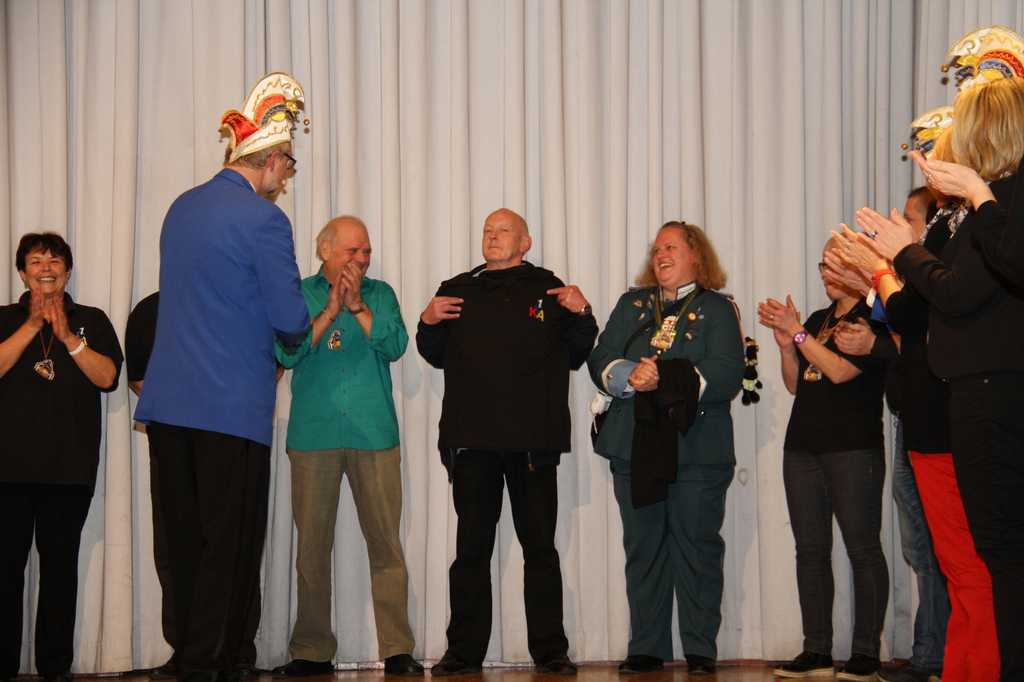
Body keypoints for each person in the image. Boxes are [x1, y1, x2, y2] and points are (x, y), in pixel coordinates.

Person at [134, 72, 311, 682]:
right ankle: (213, 660)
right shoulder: (265, 221)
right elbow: (291, 320)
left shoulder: (181, 208)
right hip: (231, 405)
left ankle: (185, 650)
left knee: (180, 539)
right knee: (229, 544)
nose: (286, 176)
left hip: (169, 402)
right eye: (288, 164)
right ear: (269, 159)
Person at [857, 73, 1024, 682]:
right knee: (990, 554)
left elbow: (953, 296)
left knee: (997, 553)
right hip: (971, 390)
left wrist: (902, 253)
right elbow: (931, 302)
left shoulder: (1000, 204)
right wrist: (897, 256)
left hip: (994, 390)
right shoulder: (985, 209)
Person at [415, 208, 597, 676]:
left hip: (534, 443)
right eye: (487, 230)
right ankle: (463, 653)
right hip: (472, 443)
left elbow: (578, 353)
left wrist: (583, 312)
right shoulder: (457, 289)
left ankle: (550, 652)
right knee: (471, 553)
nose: (493, 237)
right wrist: (427, 320)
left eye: (503, 231)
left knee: (541, 551)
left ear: (525, 242)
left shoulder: (550, 289)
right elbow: (433, 353)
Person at [586, 221, 744, 675]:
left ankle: (700, 650)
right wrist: (628, 374)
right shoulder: (632, 304)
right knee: (644, 549)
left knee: (697, 550)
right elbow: (601, 356)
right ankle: (646, 648)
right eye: (656, 249)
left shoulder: (718, 308)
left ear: (696, 256)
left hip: (696, 450)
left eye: (671, 247)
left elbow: (727, 372)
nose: (661, 255)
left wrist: (665, 377)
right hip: (634, 448)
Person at [272, 216, 422, 677]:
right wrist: (330, 310)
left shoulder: (381, 294)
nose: (361, 259)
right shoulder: (299, 293)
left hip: (372, 433)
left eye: (366, 251)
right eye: (352, 251)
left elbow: (396, 345)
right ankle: (311, 651)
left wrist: (356, 307)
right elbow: (287, 353)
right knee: (311, 550)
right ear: (325, 251)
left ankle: (397, 649)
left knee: (386, 546)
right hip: (313, 435)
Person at [758, 239, 890, 682]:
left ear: (860, 267)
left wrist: (798, 334)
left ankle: (866, 653)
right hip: (803, 448)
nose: (826, 273)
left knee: (862, 548)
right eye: (824, 264)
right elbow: (798, 384)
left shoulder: (874, 318)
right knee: (810, 551)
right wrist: (786, 346)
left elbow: (839, 371)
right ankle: (816, 649)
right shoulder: (818, 319)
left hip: (852, 448)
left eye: (836, 264)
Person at [0, 233, 123, 682]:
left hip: (69, 471)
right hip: (7, 471)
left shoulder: (91, 319)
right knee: (4, 572)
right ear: (22, 273)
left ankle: (55, 668)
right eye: (36, 261)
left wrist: (67, 335)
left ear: (68, 272)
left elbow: (108, 378)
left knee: (59, 573)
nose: (46, 268)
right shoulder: (4, 318)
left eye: (55, 261)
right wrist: (33, 325)